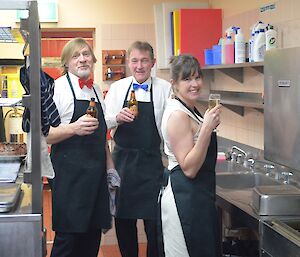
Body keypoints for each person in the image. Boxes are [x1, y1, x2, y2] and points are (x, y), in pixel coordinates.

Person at [47, 38, 115, 257]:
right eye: (76, 56)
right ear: (66, 62)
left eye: (86, 54)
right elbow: (44, 134)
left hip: (95, 180)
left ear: (93, 59)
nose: (82, 59)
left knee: (91, 241)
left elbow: (101, 137)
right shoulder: (57, 88)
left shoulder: (96, 90)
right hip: (69, 180)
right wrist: (73, 128)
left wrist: (110, 169)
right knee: (67, 242)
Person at [104, 41, 172, 257]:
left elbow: (172, 125)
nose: (139, 66)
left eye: (144, 61)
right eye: (134, 61)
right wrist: (116, 118)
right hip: (122, 164)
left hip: (152, 164)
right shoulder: (117, 88)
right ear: (128, 63)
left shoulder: (165, 89)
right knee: (124, 223)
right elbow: (102, 122)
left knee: (154, 224)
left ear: (153, 62)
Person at [160, 54, 222, 257]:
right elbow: (189, 168)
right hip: (184, 198)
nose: (194, 84)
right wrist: (206, 128)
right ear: (174, 84)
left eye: (197, 77)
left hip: (197, 197)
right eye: (187, 79)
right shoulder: (178, 115)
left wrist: (206, 126)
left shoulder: (189, 108)